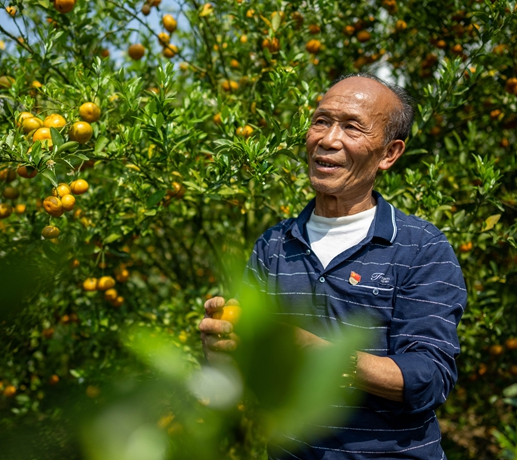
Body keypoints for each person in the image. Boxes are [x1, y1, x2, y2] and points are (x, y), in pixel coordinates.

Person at [199, 74, 466, 459]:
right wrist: (225, 349)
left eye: (352, 127)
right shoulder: (274, 246)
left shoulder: (421, 248)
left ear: (389, 154)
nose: (328, 139)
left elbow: (429, 379)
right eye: (321, 121)